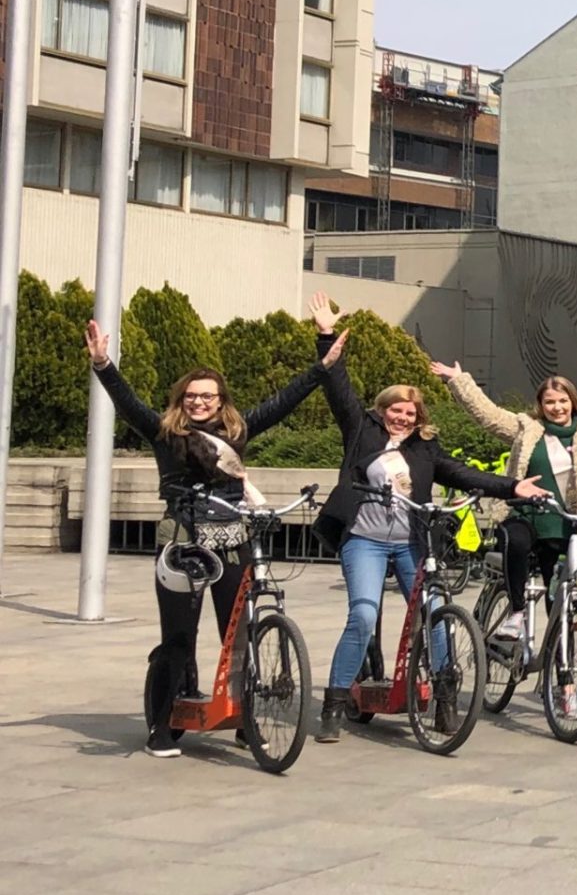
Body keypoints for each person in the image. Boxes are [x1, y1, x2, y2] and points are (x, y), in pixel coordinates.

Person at [87, 298, 340, 759]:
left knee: (238, 634)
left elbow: (284, 400)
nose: (199, 402)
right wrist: (104, 365)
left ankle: (245, 719)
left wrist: (323, 360)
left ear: (221, 401)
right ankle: (161, 727)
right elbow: (128, 404)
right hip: (183, 540)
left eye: (208, 396)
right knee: (179, 638)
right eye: (192, 396)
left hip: (231, 539)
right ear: (181, 400)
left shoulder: (237, 433)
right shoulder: (165, 433)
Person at [314, 316, 539, 744]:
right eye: (396, 410)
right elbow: (339, 393)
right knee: (363, 615)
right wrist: (327, 341)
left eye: (410, 413)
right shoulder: (361, 431)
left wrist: (512, 486)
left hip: (410, 543)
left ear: (418, 418)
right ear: (382, 411)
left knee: (436, 613)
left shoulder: (424, 448)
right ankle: (334, 703)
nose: (402, 418)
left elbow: (460, 472)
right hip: (365, 541)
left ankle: (444, 700)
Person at [429, 356, 577, 723]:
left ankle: (565, 691)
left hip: (567, 525)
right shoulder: (527, 428)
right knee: (516, 541)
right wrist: (459, 380)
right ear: (540, 405)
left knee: (564, 610)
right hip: (525, 516)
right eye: (549, 402)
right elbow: (488, 415)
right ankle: (515, 613)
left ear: (572, 401)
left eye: (562, 401)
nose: (556, 408)